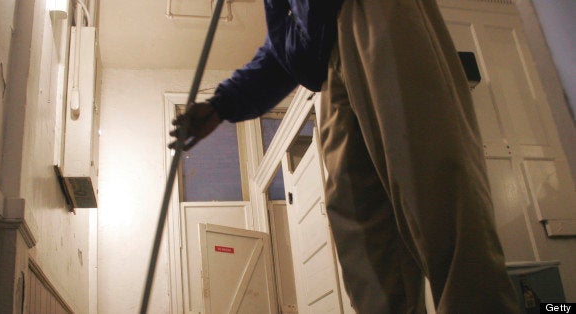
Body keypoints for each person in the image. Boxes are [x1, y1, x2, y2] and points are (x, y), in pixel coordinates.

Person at [170, 0, 519, 312]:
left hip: (374, 12)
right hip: (327, 67)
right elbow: (284, 50)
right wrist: (221, 105)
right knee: (361, 228)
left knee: (435, 192)